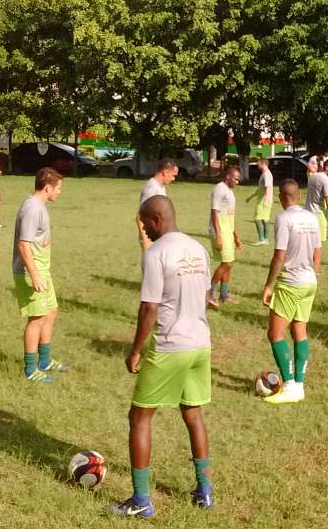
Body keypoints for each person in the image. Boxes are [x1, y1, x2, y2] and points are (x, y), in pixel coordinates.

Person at [111, 196, 214, 518]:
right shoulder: (199, 249)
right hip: (201, 344)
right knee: (193, 414)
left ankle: (141, 500)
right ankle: (205, 490)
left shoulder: (156, 253)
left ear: (156, 220)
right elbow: (207, 295)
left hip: (171, 346)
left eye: (144, 223)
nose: (143, 229)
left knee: (139, 417)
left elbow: (149, 308)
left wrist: (136, 350)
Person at [260, 180, 323, 404]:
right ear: (299, 195)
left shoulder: (283, 218)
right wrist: (311, 274)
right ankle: (299, 385)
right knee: (299, 331)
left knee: (275, 334)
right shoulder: (311, 218)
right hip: (309, 282)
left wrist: (268, 285)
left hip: (291, 283)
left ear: (281, 196)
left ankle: (288, 385)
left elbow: (279, 255)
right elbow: (318, 254)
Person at [12, 168, 69, 384]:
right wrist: (34, 275)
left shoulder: (39, 206)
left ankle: (45, 360)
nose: (59, 192)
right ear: (48, 187)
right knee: (36, 319)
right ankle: (30, 369)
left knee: (51, 312)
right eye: (58, 188)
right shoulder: (32, 208)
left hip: (42, 269)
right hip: (31, 272)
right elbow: (24, 244)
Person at [208, 165, 243, 308]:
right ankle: (208, 294)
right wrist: (218, 235)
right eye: (236, 179)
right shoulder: (219, 189)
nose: (237, 182)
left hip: (228, 231)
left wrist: (235, 236)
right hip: (219, 231)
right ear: (228, 176)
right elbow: (214, 212)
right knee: (226, 263)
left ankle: (224, 295)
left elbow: (230, 216)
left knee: (229, 263)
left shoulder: (229, 192)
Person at [137, 159, 178, 250]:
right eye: (173, 175)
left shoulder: (160, 187)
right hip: (151, 238)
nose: (173, 179)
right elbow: (140, 216)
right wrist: (146, 240)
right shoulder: (151, 188)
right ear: (165, 172)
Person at [305, 158, 328, 241]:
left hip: (307, 212)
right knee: (318, 245)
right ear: (327, 168)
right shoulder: (325, 179)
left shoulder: (312, 176)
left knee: (309, 242)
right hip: (318, 214)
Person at [246, 157, 274, 246]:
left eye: (258, 163)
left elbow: (268, 188)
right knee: (264, 220)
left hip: (263, 201)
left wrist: (265, 200)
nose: (257, 164)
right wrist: (251, 197)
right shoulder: (265, 174)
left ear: (263, 163)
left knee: (258, 219)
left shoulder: (266, 174)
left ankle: (262, 239)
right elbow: (260, 189)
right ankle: (265, 240)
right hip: (264, 200)